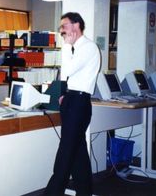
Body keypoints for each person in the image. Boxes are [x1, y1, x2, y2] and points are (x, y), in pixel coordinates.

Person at [44, 12, 101, 196]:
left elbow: (67, 69)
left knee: (66, 150)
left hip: (79, 102)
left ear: (76, 25)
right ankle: (85, 192)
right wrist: (66, 95)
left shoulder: (88, 47)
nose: (61, 30)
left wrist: (67, 46)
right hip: (72, 100)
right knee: (78, 152)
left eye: (64, 26)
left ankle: (52, 193)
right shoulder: (77, 48)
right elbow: (72, 76)